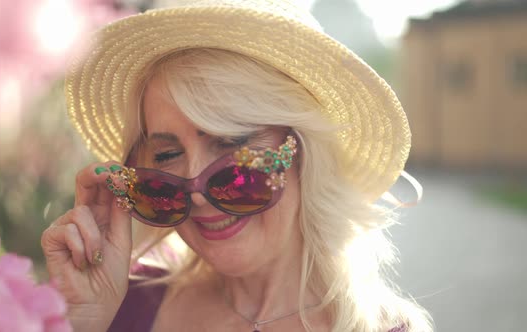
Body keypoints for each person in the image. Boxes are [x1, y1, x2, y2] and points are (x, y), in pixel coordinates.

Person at [41, 1, 433, 331]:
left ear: (303, 151)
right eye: (165, 155)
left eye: (232, 141)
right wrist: (84, 321)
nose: (196, 191)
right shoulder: (127, 306)